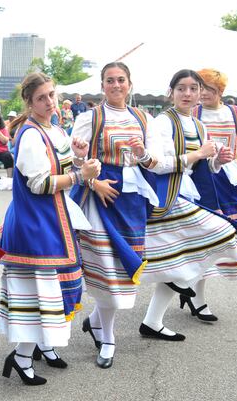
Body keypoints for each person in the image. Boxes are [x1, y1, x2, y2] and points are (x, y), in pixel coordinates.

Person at [0, 72, 99, 385]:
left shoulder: (55, 129)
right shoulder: (30, 135)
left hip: (52, 218)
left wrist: (77, 156)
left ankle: (44, 345)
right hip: (35, 223)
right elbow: (40, 184)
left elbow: (60, 168)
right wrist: (81, 175)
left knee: (53, 289)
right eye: (41, 98)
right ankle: (22, 356)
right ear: (29, 102)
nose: (49, 102)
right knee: (40, 292)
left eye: (51, 95)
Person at [139, 70, 237, 342]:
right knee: (223, 232)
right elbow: (156, 165)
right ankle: (184, 284)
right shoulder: (161, 122)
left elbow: (203, 167)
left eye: (193, 88)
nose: (188, 94)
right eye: (181, 88)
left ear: (200, 93)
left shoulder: (198, 125)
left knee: (178, 263)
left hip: (189, 193)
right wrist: (198, 154)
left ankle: (153, 321)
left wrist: (217, 161)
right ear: (171, 92)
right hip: (168, 196)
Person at [70, 62, 158, 369]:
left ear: (130, 84)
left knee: (122, 269)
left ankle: (95, 321)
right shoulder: (90, 117)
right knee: (108, 270)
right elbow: (72, 161)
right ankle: (107, 338)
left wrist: (142, 154)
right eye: (110, 80)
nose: (116, 85)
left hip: (132, 200)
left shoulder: (144, 118)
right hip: (101, 197)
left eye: (121, 79)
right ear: (102, 85)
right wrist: (93, 183)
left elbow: (156, 162)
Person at [189, 68, 237, 321]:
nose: (203, 94)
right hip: (199, 181)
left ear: (221, 91)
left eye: (209, 89)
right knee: (200, 239)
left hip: (230, 183)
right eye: (200, 88)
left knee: (224, 238)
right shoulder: (191, 113)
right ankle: (196, 296)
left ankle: (189, 290)